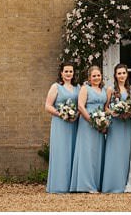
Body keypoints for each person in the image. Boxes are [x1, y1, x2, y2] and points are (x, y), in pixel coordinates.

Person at [69, 65, 107, 192]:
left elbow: (106, 107)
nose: (96, 78)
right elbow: (80, 106)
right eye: (94, 76)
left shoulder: (104, 90)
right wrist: (92, 121)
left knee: (97, 152)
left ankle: (97, 183)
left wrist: (103, 123)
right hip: (87, 123)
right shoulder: (85, 88)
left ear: (101, 77)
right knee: (87, 152)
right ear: (89, 78)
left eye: (98, 75)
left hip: (100, 124)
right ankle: (86, 184)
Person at [44, 62, 79, 193]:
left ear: (74, 73)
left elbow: (80, 104)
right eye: (66, 71)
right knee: (61, 152)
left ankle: (72, 185)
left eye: (71, 71)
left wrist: (76, 115)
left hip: (74, 123)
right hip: (60, 123)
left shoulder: (77, 88)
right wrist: (61, 114)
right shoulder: (56, 87)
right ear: (61, 73)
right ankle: (59, 185)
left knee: (73, 151)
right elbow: (48, 106)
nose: (68, 74)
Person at [101, 64, 131, 193]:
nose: (121, 76)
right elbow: (106, 107)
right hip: (115, 124)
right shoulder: (110, 89)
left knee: (126, 152)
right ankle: (112, 184)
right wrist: (113, 112)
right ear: (115, 75)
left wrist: (128, 112)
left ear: (127, 74)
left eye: (123, 73)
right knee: (114, 152)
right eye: (119, 73)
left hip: (126, 124)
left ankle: (125, 183)